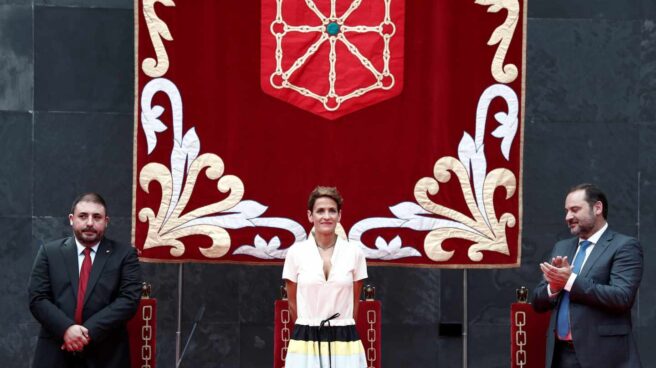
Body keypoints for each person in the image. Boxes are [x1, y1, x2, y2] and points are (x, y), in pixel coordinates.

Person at [531, 184, 643, 368]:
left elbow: (622, 297)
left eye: (575, 209)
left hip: (605, 357)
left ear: (597, 208)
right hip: (561, 355)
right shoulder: (562, 247)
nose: (568, 217)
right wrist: (554, 287)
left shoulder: (624, 246)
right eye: (566, 211)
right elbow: (537, 301)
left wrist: (570, 281)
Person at [28, 193, 142, 368]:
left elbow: (129, 300)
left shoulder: (125, 255)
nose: (90, 223)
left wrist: (85, 334)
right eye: (83, 216)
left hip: (107, 356)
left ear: (106, 221)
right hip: (55, 353)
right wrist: (66, 329)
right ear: (71, 219)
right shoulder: (49, 253)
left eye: (97, 217)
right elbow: (38, 298)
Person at [282, 186, 368, 368]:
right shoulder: (296, 253)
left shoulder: (355, 253)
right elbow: (292, 303)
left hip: (345, 339)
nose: (326, 216)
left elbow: (355, 302)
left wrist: (341, 328)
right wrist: (309, 326)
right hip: (305, 339)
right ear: (310, 216)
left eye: (332, 211)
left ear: (339, 216)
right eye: (320, 211)